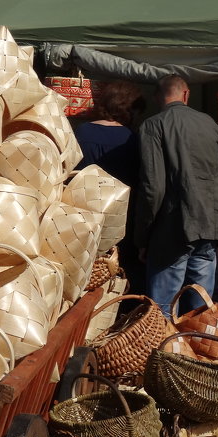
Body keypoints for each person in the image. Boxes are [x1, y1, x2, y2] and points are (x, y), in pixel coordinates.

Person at [135, 74, 218, 316]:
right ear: (186, 95)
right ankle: (198, 353)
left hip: (170, 232)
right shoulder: (210, 125)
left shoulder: (153, 126)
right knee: (201, 311)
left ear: (157, 97)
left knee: (162, 311)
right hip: (208, 230)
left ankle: (165, 353)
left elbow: (153, 187)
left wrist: (143, 236)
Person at [73, 80, 146, 284]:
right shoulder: (131, 139)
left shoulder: (81, 132)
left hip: (83, 212)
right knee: (117, 274)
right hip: (120, 219)